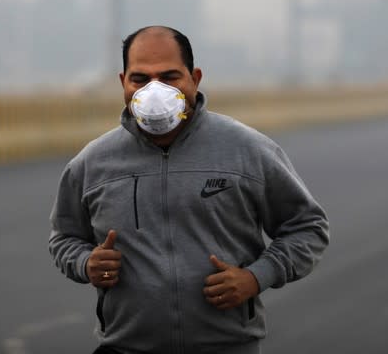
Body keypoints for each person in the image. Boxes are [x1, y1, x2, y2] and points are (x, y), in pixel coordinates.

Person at [49, 26, 329, 354]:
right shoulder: (92, 163)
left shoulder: (247, 150)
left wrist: (255, 278)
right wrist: (86, 263)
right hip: (124, 348)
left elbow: (308, 228)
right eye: (140, 79)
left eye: (169, 77)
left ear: (194, 78)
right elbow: (63, 238)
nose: (154, 91)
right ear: (123, 82)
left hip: (227, 347)